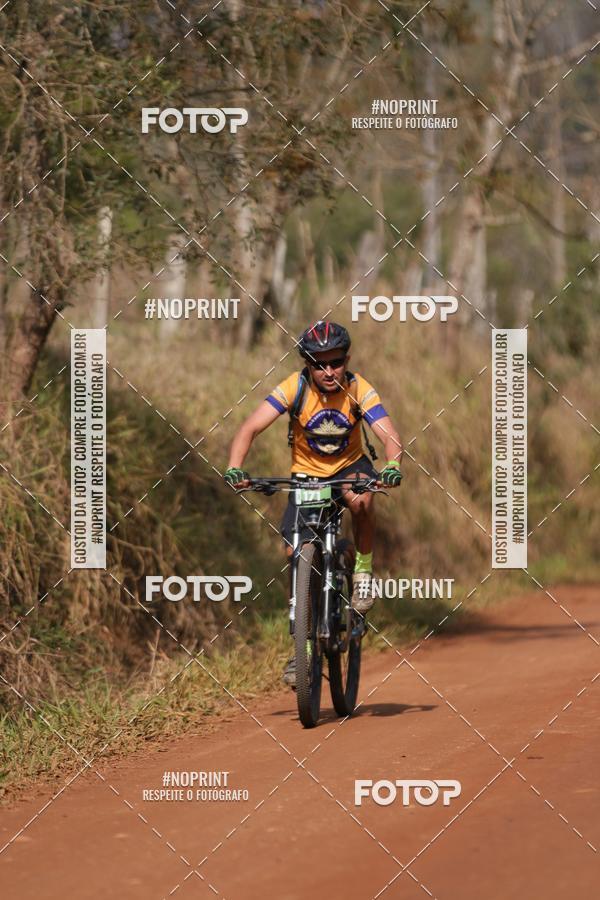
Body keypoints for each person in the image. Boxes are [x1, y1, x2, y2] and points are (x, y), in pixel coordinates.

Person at [224, 321, 403, 686]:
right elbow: (249, 428)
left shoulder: (359, 388)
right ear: (307, 364)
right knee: (295, 554)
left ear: (346, 360)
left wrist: (393, 464)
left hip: (350, 468)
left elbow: (388, 435)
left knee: (362, 500)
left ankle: (362, 572)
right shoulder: (294, 387)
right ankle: (302, 649)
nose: (328, 371)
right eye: (319, 364)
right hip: (307, 476)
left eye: (336, 362)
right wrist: (234, 467)